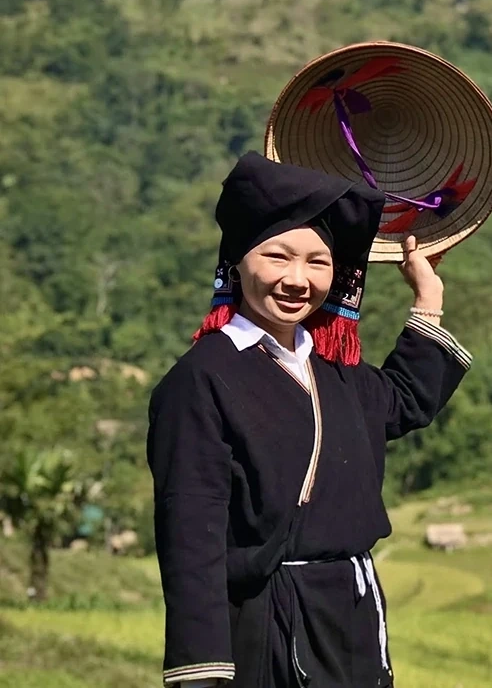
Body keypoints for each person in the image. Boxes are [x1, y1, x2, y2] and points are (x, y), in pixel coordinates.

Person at [146, 151, 472, 687]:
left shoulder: (334, 370)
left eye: (317, 262)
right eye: (278, 257)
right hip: (267, 623)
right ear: (238, 261)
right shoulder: (200, 380)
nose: (298, 280)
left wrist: (428, 296)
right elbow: (191, 535)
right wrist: (202, 671)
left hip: (351, 618)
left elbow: (404, 401)